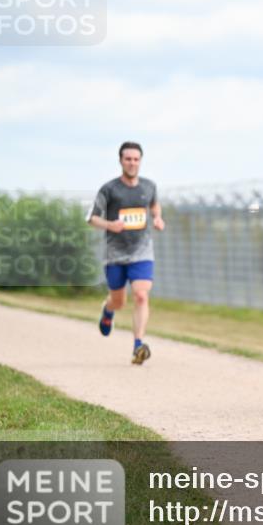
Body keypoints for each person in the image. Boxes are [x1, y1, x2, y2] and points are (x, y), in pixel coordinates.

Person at [87, 141, 165, 365]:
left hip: (142, 251)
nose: (132, 163)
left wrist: (158, 217)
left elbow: (154, 205)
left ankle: (138, 345)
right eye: (128, 159)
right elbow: (92, 217)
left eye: (136, 159)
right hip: (116, 254)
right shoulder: (109, 189)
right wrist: (110, 225)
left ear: (140, 161)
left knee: (141, 295)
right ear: (120, 160)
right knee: (118, 301)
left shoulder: (149, 186)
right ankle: (108, 310)